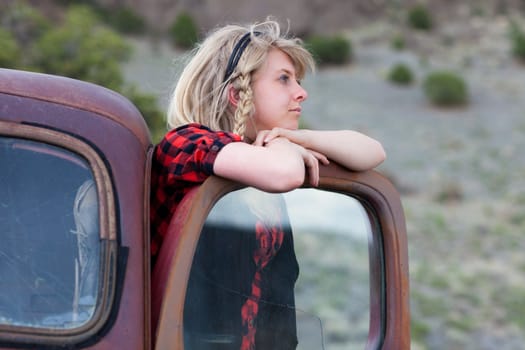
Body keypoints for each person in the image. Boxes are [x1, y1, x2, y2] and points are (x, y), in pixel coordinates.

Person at [150, 18, 386, 349]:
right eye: (284, 80)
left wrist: (294, 136)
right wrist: (284, 145)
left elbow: (372, 152)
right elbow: (285, 174)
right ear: (237, 94)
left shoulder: (263, 170)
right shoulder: (184, 143)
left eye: (298, 81)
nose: (301, 93)